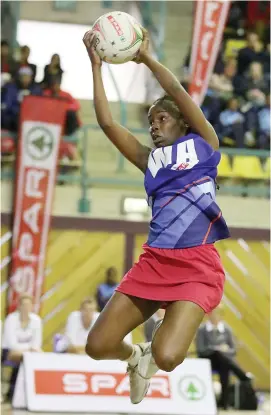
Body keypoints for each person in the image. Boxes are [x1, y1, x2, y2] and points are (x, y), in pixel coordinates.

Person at [82, 27, 229, 405]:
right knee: (98, 345)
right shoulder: (151, 160)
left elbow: (179, 93)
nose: (153, 124)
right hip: (155, 262)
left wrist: (147, 59)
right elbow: (109, 124)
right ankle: (135, 357)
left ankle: (154, 349)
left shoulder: (205, 146)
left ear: (182, 122)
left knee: (168, 356)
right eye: (150, 120)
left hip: (197, 263)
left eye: (161, 117)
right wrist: (96, 67)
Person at [196, 306, 253, 409]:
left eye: (218, 314)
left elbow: (233, 350)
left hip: (224, 361)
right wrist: (216, 348)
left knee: (224, 364)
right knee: (219, 355)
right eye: (213, 313)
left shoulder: (227, 329)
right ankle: (242, 376)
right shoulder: (202, 329)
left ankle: (223, 403)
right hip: (209, 360)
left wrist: (224, 350)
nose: (215, 316)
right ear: (209, 315)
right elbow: (201, 350)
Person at [2, 293, 43, 401]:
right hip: (9, 352)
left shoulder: (36, 320)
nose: (26, 308)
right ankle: (13, 392)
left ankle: (27, 393)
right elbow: (12, 344)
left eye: (29, 305)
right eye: (24, 305)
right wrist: (29, 348)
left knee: (31, 357)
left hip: (29, 352)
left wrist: (28, 349)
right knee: (21, 358)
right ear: (19, 306)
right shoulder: (11, 319)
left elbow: (37, 343)